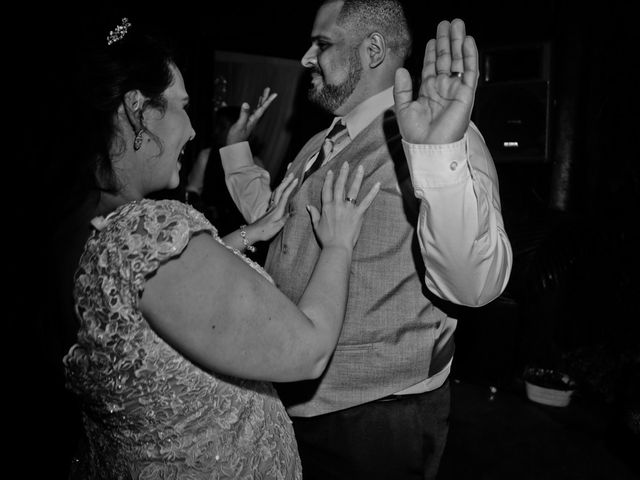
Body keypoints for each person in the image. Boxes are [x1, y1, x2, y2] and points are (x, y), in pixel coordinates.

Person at [58, 17, 380, 479]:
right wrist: (340, 245)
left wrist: (248, 234)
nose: (191, 129)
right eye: (181, 107)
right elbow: (308, 350)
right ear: (137, 110)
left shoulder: (80, 223)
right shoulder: (142, 232)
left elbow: (148, 291)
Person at [220, 1, 513, 479]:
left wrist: (438, 157)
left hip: (376, 424)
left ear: (372, 49)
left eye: (323, 43)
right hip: (287, 404)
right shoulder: (318, 144)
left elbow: (475, 286)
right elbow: (280, 222)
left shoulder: (441, 136)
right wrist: (237, 153)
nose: (307, 59)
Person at [184, 104, 271, 236]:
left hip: (238, 232)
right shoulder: (207, 156)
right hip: (206, 228)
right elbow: (192, 191)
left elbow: (260, 211)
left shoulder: (254, 163)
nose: (216, 131)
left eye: (221, 127)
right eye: (217, 126)